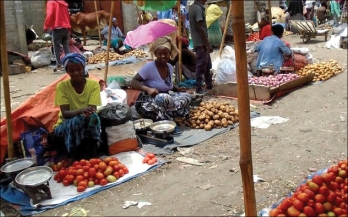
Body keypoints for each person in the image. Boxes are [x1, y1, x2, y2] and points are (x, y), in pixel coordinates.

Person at [130, 36, 192, 124]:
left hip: (166, 102)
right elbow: (133, 82)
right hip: (148, 101)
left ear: (169, 54)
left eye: (165, 53)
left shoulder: (170, 67)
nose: (163, 56)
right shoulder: (149, 67)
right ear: (155, 54)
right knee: (164, 98)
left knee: (186, 96)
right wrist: (148, 89)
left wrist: (176, 89)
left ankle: (172, 114)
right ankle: (171, 118)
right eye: (160, 54)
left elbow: (166, 84)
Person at [53, 53, 101, 160]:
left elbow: (92, 109)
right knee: (80, 119)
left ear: (83, 68)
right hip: (65, 124)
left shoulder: (93, 85)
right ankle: (75, 153)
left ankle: (93, 153)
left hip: (86, 120)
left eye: (79, 69)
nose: (76, 73)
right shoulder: (62, 86)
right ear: (67, 72)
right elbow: (65, 114)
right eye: (71, 70)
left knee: (93, 118)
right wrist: (81, 110)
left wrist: (87, 113)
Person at [189, 0, 213, 95]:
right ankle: (198, 88)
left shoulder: (193, 7)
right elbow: (200, 27)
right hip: (201, 43)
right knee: (201, 66)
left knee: (207, 66)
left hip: (199, 42)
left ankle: (209, 84)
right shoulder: (198, 9)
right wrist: (207, 44)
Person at [43, 0, 71, 72]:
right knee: (66, 46)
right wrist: (69, 28)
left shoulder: (51, 2)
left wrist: (46, 26)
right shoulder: (64, 3)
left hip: (57, 28)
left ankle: (59, 65)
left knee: (56, 47)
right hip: (65, 28)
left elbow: (50, 14)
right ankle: (69, 63)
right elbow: (68, 15)